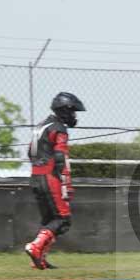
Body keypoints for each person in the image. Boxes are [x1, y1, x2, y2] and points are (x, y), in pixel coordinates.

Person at [24, 92, 85, 269]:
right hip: (51, 177)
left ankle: (39, 259)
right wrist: (67, 185)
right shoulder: (59, 128)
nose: (74, 116)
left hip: (35, 176)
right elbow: (61, 158)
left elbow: (30, 153)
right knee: (63, 220)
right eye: (73, 112)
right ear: (64, 110)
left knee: (49, 220)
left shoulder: (40, 126)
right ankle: (35, 247)